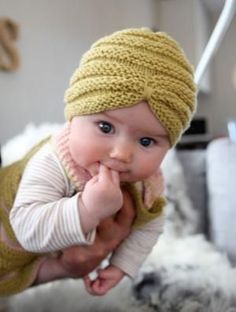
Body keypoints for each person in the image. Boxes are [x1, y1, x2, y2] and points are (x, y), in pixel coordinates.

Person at [0, 27, 196, 296]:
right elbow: (26, 228)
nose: (121, 153)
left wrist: (122, 265)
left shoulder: (147, 184)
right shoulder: (54, 160)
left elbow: (150, 225)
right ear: (73, 117)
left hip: (28, 268)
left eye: (146, 142)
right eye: (105, 127)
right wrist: (87, 210)